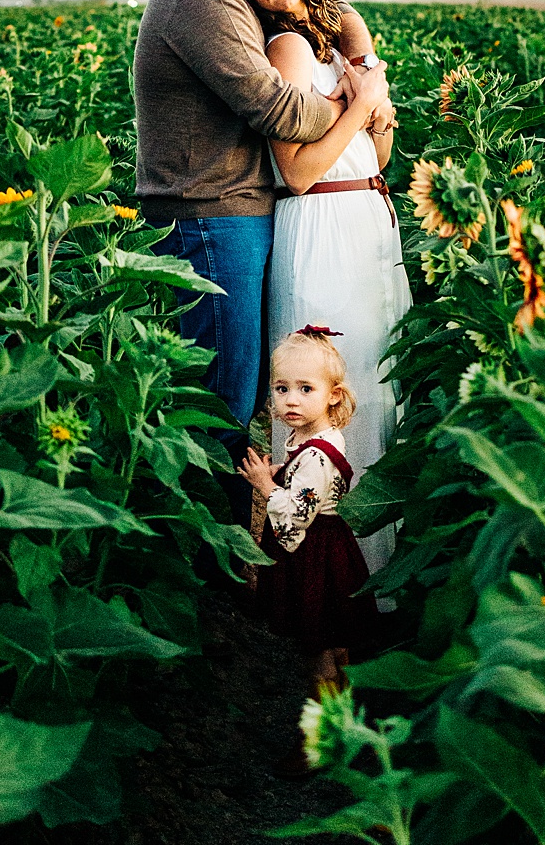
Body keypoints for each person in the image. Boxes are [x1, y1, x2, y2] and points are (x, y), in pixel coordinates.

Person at [132, 0, 389, 514]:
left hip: (230, 213)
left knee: (237, 390)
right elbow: (278, 109)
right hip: (210, 216)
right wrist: (355, 102)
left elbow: (330, 31)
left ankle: (227, 542)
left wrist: (356, 60)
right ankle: (205, 557)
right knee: (221, 397)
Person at [233, 0, 412, 573]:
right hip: (321, 217)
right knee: (330, 387)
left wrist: (372, 107)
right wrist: (359, 103)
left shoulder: (335, 41)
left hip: (367, 210)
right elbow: (300, 170)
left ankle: (375, 569)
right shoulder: (284, 49)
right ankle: (324, 582)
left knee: (374, 381)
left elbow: (378, 155)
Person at [238, 326, 380, 774]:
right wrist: (283, 472)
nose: (290, 401)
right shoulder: (311, 442)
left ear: (334, 396)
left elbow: (297, 518)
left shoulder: (318, 453)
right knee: (334, 643)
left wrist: (265, 484)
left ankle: (320, 740)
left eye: (305, 389)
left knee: (318, 648)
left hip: (315, 556)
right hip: (327, 552)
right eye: (282, 389)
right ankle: (344, 724)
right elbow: (309, 486)